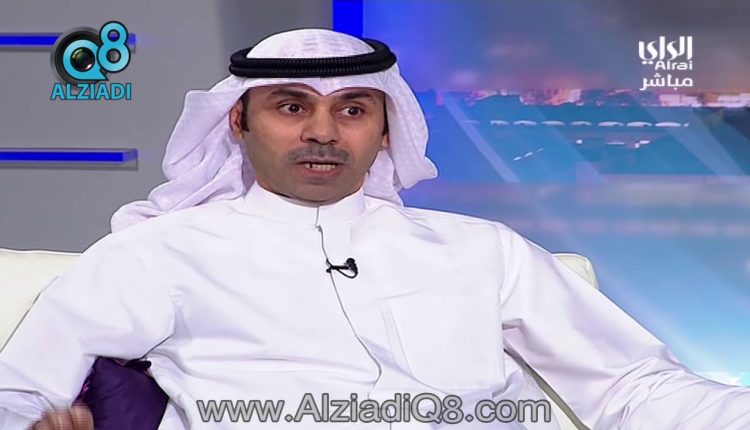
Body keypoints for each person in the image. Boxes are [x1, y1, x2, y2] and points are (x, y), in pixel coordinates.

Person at [1, 28, 749, 430]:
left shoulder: (483, 251)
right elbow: (20, 391)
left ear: (386, 130)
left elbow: (632, 386)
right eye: (291, 107)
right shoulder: (159, 251)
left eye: (353, 110)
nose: (323, 133)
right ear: (238, 122)